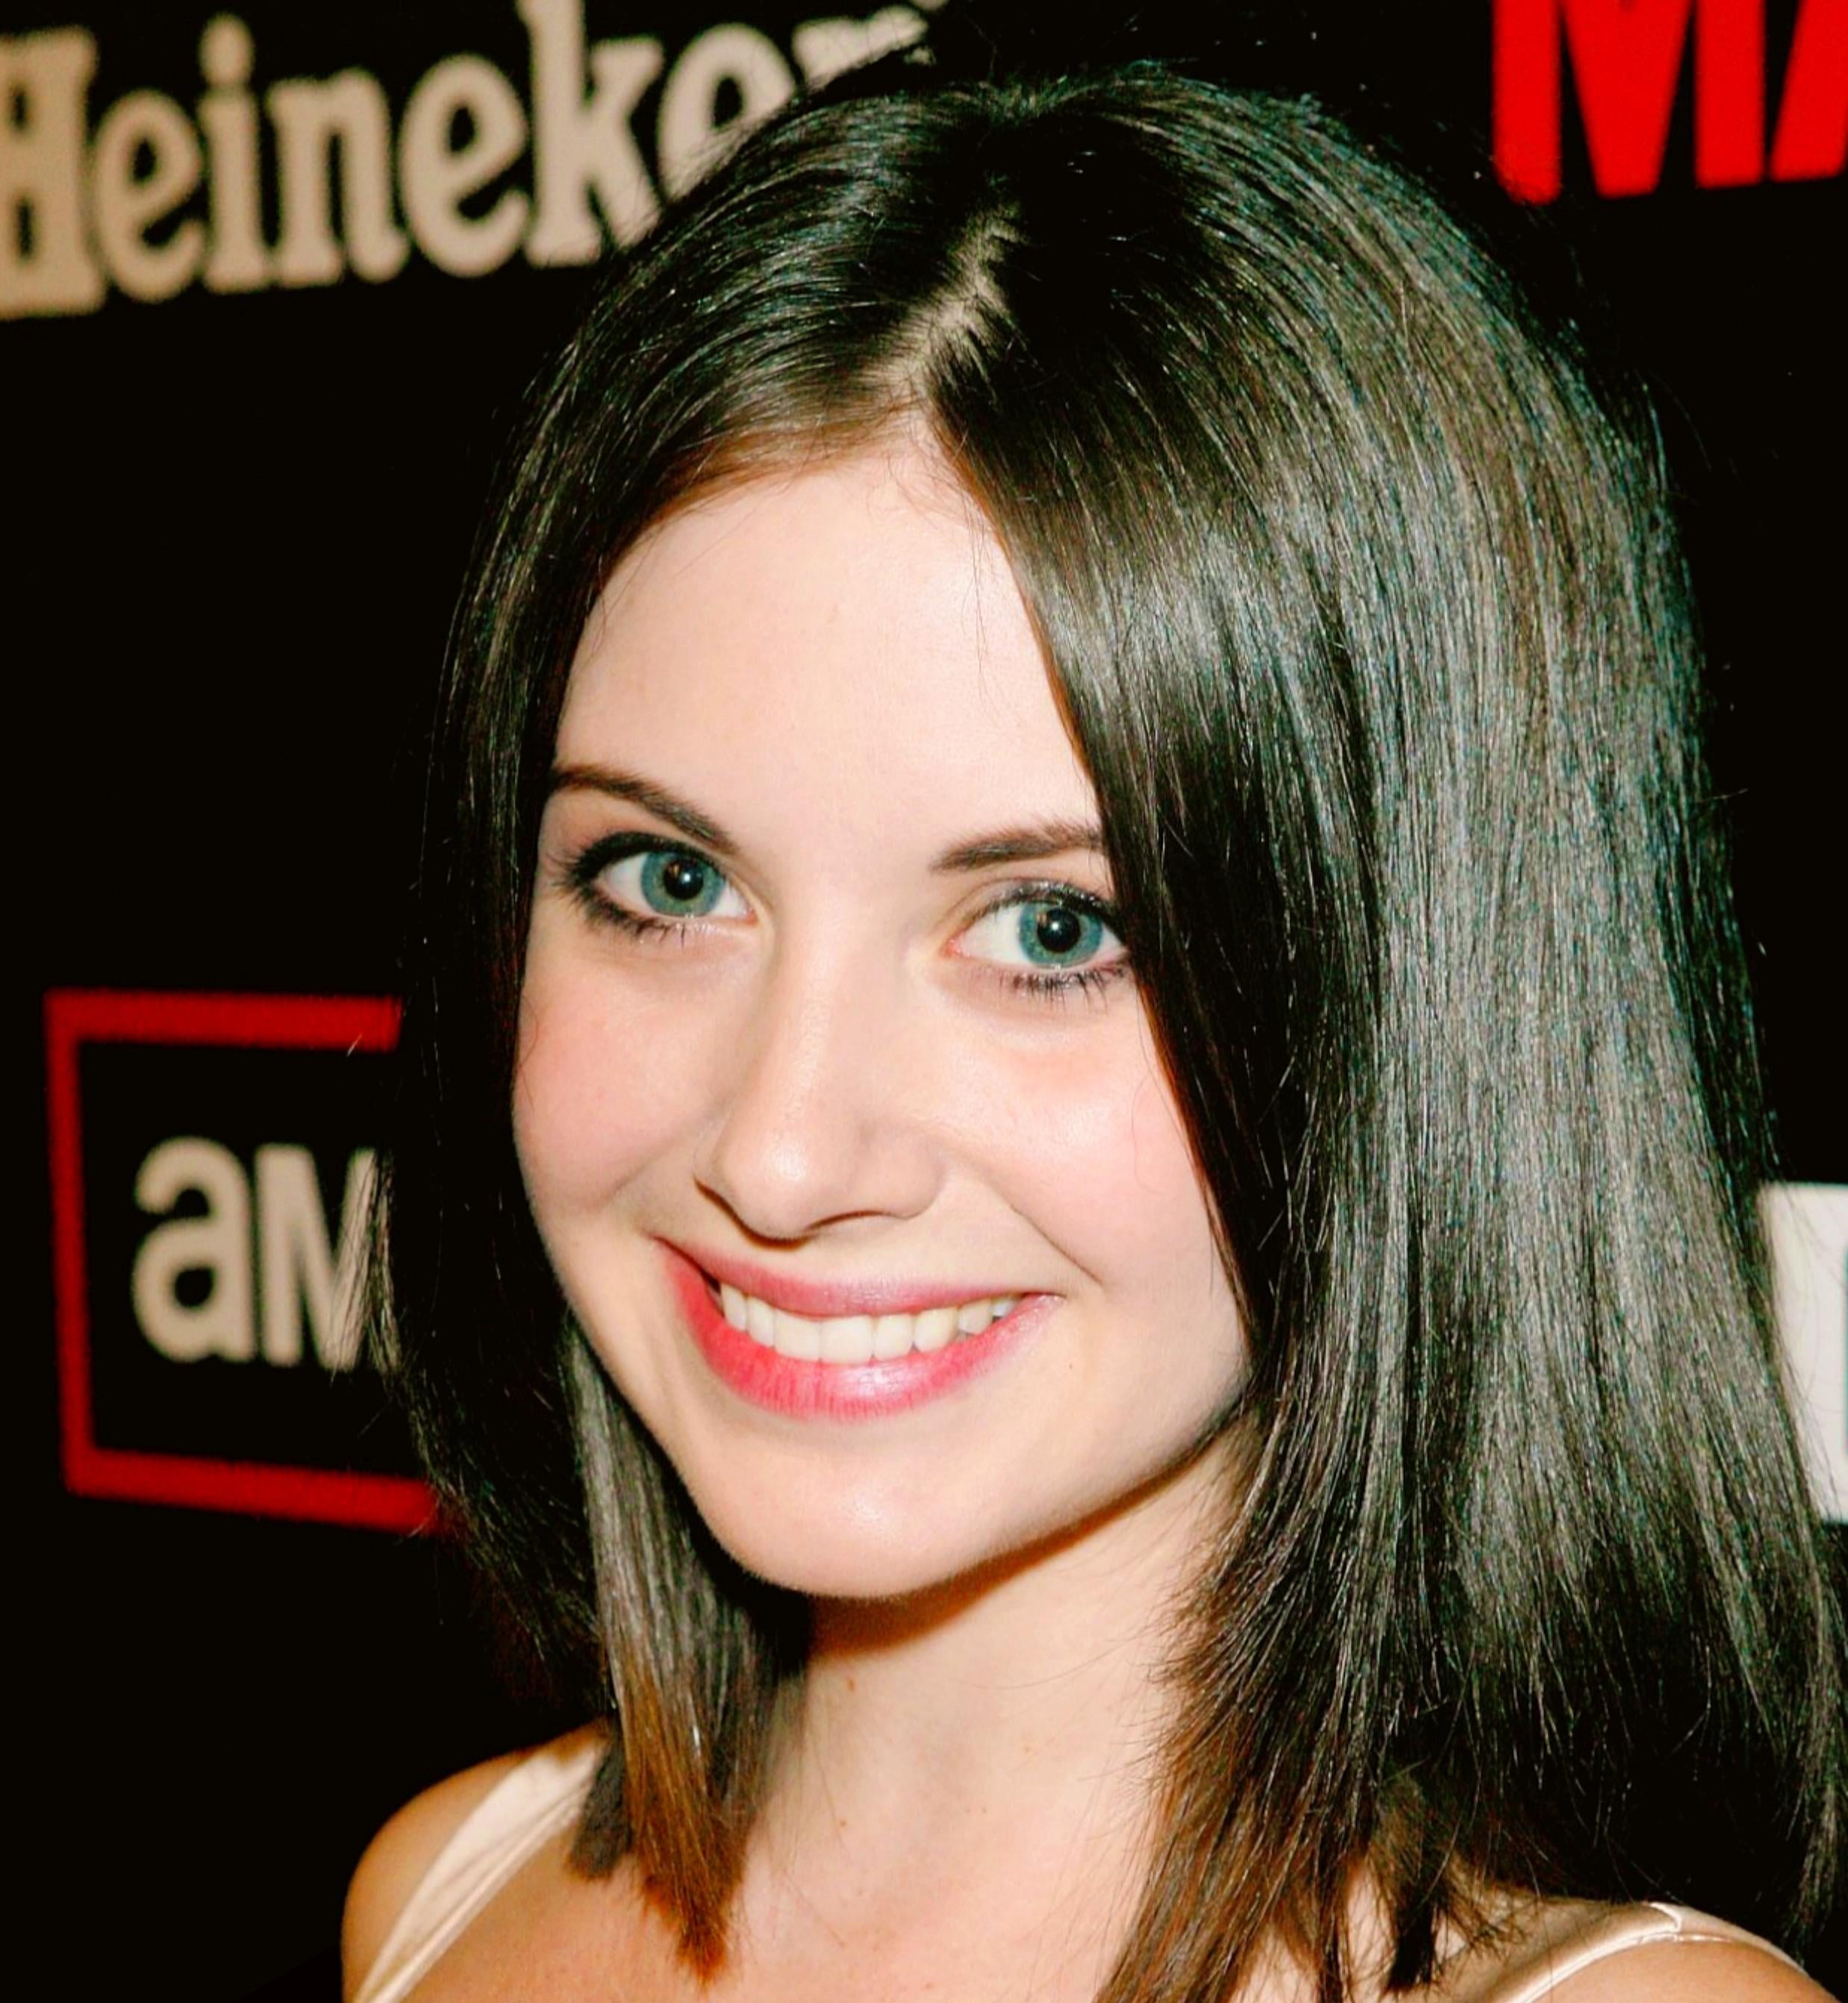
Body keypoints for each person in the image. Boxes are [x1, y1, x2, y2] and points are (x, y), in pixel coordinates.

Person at [343, 51, 1846, 2003]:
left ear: (1401, 996)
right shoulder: (438, 1900)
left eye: (1051, 929)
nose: (780, 1150)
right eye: (671, 880)